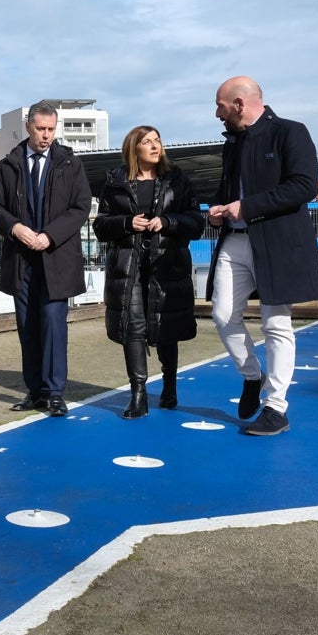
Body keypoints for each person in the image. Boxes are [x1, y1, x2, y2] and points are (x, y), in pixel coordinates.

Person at [206, 76, 318, 436]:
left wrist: (247, 206)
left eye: (220, 107)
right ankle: (251, 376)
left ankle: (276, 408)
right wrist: (220, 208)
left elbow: (306, 186)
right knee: (223, 315)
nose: (217, 114)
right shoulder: (232, 144)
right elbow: (234, 192)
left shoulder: (290, 132)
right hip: (235, 240)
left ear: (239, 104)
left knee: (276, 324)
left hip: (275, 243)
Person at [0, 100, 92, 416]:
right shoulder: (9, 165)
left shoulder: (71, 164)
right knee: (27, 326)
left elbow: (80, 207)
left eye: (51, 129)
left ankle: (55, 392)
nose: (46, 135)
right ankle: (35, 392)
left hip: (57, 259)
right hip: (21, 261)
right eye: (41, 129)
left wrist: (50, 235)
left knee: (53, 324)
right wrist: (15, 228)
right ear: (28, 126)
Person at [93, 126, 205, 418]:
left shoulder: (177, 181)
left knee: (165, 325)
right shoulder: (115, 182)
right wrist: (127, 223)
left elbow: (196, 223)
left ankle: (169, 386)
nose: (155, 146)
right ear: (134, 148)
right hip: (127, 267)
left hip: (166, 265)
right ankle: (138, 394)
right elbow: (100, 226)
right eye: (147, 142)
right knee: (133, 327)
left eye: (158, 140)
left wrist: (167, 222)